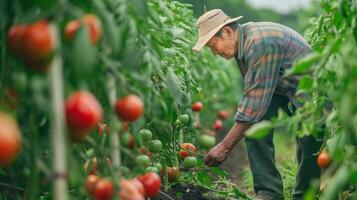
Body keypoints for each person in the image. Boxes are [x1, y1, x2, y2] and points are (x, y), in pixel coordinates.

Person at [193, 9, 323, 200]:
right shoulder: (242, 48)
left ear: (228, 32)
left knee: (310, 142)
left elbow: (253, 103)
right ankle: (269, 192)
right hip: (282, 88)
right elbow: (253, 100)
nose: (214, 52)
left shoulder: (259, 42)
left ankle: (305, 196)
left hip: (311, 89)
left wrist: (225, 146)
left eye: (213, 45)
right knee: (254, 127)